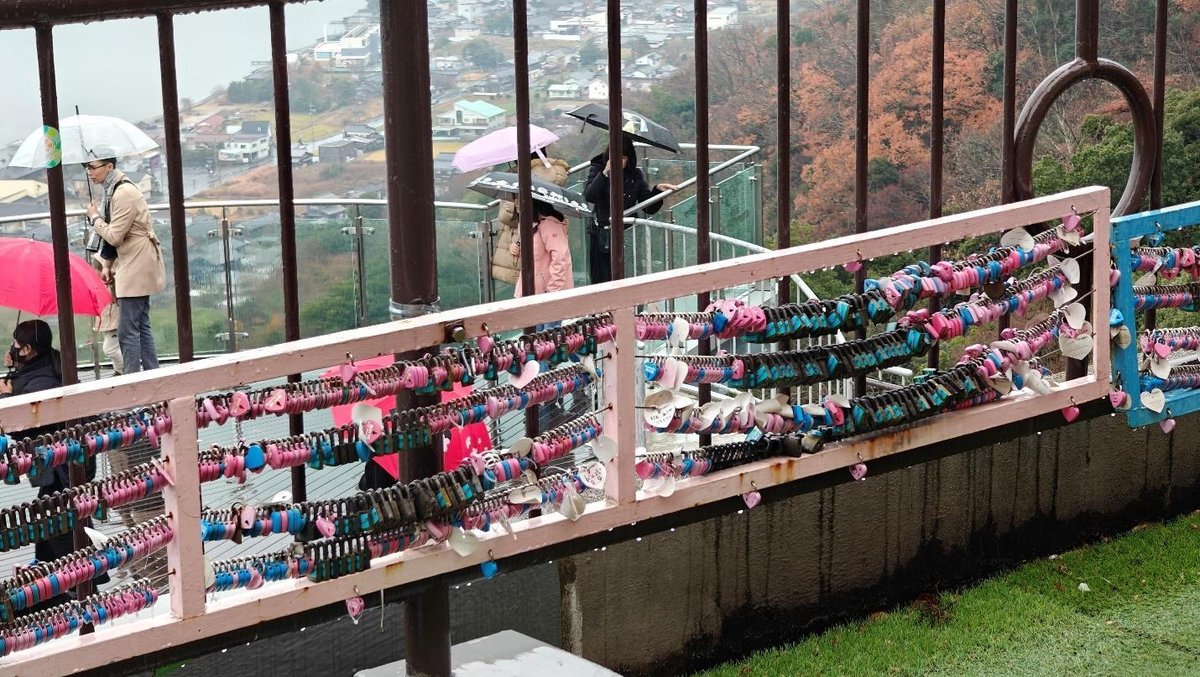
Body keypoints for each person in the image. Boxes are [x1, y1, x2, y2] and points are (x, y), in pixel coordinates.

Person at [0, 321, 102, 600]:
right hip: (64, 467)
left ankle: (81, 584)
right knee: (56, 518)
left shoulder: (41, 382)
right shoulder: (46, 365)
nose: (14, 350)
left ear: (29, 349)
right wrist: (17, 368)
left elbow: (26, 427)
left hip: (61, 468)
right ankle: (62, 580)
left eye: (17, 346)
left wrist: (6, 397)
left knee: (59, 522)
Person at [84, 149, 165, 374]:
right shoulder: (113, 190)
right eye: (87, 168)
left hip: (136, 262)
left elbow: (114, 235)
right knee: (140, 324)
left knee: (128, 330)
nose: (89, 172)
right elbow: (116, 235)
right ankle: (152, 373)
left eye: (93, 167)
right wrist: (108, 264)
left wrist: (94, 217)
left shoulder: (122, 193)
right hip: (133, 259)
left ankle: (133, 380)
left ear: (109, 167)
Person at [583, 138, 677, 283]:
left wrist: (657, 192)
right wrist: (605, 173)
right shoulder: (597, 169)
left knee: (628, 274)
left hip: (627, 233)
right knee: (602, 277)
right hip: (602, 232)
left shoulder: (635, 175)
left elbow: (647, 207)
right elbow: (590, 195)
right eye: (615, 157)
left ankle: (630, 305)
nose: (619, 161)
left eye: (623, 157)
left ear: (629, 158)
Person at [492, 151, 572, 287]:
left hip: (544, 289)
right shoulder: (550, 172)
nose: (517, 200)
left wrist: (553, 291)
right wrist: (517, 246)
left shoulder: (549, 222)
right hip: (532, 281)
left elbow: (560, 259)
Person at [510, 199, 574, 298]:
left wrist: (553, 290)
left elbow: (561, 258)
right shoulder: (529, 222)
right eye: (516, 197)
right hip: (531, 287)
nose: (517, 202)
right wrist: (517, 248)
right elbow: (537, 252)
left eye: (520, 197)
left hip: (547, 293)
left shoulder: (549, 224)